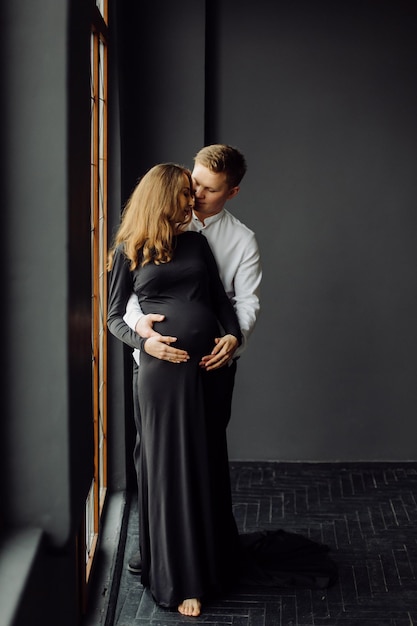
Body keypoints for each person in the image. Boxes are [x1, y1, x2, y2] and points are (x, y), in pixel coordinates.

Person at [107, 163, 243, 616]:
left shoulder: (196, 243)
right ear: (162, 198)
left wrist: (232, 335)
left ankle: (207, 568)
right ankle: (178, 578)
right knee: (166, 470)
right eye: (185, 195)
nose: (192, 203)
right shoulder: (129, 249)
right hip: (161, 375)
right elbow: (112, 319)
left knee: (201, 464)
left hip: (204, 371)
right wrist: (146, 341)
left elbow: (220, 302)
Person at [123, 144, 262, 574]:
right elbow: (129, 296)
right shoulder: (155, 223)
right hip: (156, 364)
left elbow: (244, 301)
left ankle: (208, 552)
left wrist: (234, 339)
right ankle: (158, 552)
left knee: (205, 457)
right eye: (194, 182)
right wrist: (144, 331)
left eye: (209, 188)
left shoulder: (240, 240)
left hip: (211, 366)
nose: (197, 193)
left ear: (231, 192)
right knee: (151, 456)